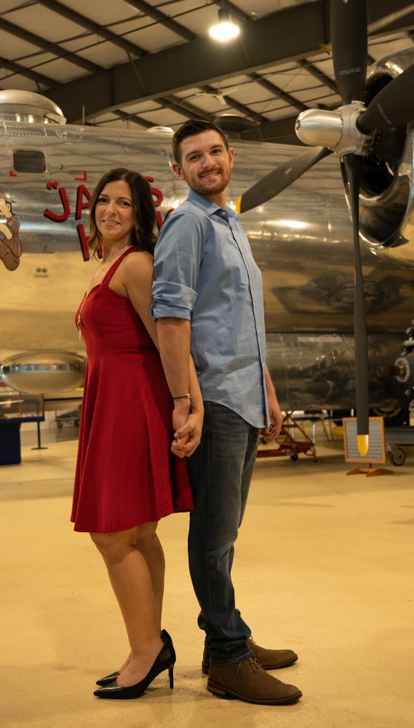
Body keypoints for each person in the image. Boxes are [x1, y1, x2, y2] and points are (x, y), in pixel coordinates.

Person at [151, 120, 301, 705]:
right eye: (194, 156)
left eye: (215, 151)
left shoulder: (229, 223)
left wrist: (267, 391)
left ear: (230, 157)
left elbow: (242, 321)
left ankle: (223, 641)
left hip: (243, 395)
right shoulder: (187, 223)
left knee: (226, 531)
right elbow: (171, 316)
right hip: (213, 399)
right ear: (178, 169)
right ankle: (229, 660)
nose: (208, 162)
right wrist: (183, 402)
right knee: (213, 537)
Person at [72, 167, 202, 700]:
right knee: (140, 534)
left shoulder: (136, 264)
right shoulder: (109, 263)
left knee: (112, 533)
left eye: (124, 203)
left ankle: (148, 649)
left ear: (140, 213)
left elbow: (171, 337)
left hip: (132, 406)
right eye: (104, 200)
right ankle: (147, 645)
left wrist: (189, 405)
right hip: (113, 402)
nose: (110, 211)